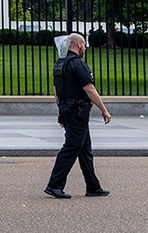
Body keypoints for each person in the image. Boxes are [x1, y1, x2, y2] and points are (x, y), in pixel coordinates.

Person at [45, 32, 111, 199]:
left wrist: (61, 111)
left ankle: (93, 186)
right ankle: (54, 185)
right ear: (79, 45)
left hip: (67, 109)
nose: (85, 48)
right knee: (72, 147)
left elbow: (56, 90)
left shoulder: (60, 63)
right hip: (77, 111)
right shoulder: (77, 64)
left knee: (85, 149)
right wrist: (103, 109)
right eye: (85, 45)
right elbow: (89, 88)